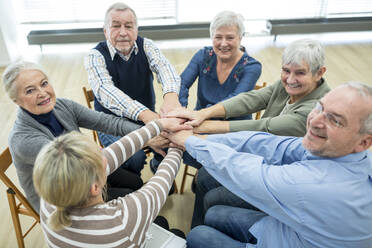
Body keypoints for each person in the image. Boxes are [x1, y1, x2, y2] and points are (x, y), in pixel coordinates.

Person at [165, 82, 372, 248]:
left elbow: (248, 171)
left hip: (289, 237)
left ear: (364, 141)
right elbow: (268, 144)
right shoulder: (344, 151)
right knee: (214, 213)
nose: (315, 121)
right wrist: (197, 139)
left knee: (199, 236)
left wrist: (189, 141)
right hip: (291, 232)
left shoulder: (320, 186)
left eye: (335, 120)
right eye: (320, 107)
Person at [169, 38, 331, 227]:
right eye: (286, 70)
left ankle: (205, 232)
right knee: (205, 175)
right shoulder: (286, 85)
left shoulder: (317, 110)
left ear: (320, 73)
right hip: (260, 157)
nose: (290, 79)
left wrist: (197, 127)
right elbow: (253, 99)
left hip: (279, 181)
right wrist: (201, 114)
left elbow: (263, 128)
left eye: (300, 73)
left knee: (213, 199)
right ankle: (197, 232)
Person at [2, 61, 153, 213]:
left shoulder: (62, 106)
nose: (42, 93)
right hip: (63, 198)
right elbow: (79, 165)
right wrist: (145, 138)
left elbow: (106, 121)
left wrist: (149, 134)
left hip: (87, 171)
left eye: (44, 83)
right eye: (30, 91)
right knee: (129, 196)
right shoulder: (22, 140)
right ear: (16, 100)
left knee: (135, 182)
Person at [33, 118, 188, 247]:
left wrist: (159, 125)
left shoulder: (51, 198)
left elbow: (116, 151)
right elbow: (161, 182)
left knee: (160, 222)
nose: (105, 156)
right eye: (99, 156)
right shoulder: (121, 220)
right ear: (94, 188)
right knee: (179, 235)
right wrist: (178, 146)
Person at [84, 2, 182, 176]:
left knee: (171, 141)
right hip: (110, 123)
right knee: (134, 158)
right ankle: (132, 186)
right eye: (116, 26)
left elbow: (165, 69)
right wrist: (148, 119)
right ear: (105, 30)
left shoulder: (147, 45)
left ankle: (157, 167)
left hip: (145, 119)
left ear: (136, 29)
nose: (123, 32)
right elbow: (107, 92)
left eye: (128, 26)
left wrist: (171, 97)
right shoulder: (95, 56)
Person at [179, 11, 261, 121]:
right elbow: (181, 84)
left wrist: (199, 115)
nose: (223, 44)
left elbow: (233, 103)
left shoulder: (252, 67)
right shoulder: (203, 56)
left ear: (240, 38)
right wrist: (182, 109)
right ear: (212, 37)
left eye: (230, 38)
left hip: (233, 127)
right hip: (199, 121)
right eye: (218, 37)